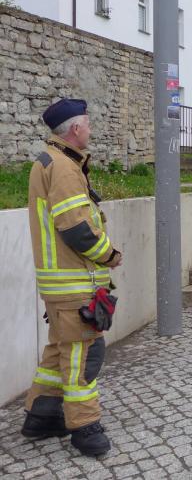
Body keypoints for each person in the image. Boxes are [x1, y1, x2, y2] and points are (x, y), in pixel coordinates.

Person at [22, 98, 123, 457]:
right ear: (76, 128)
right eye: (89, 124)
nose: (91, 130)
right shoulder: (64, 168)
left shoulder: (49, 161)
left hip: (59, 284)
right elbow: (77, 229)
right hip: (74, 284)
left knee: (60, 350)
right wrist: (110, 255)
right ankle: (84, 427)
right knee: (85, 354)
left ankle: (42, 416)